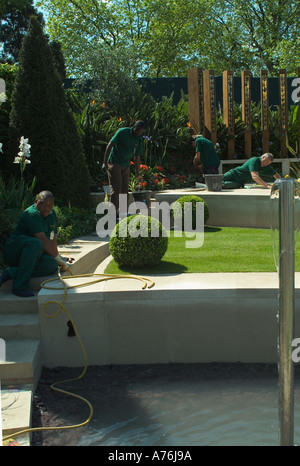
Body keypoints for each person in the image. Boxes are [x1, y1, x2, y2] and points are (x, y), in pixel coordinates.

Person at [0, 191, 72, 298]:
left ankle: (11, 272)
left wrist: (59, 259)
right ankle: (19, 286)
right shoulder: (31, 214)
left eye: (49, 205)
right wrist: (58, 259)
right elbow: (42, 238)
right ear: (36, 201)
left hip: (33, 255)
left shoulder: (51, 215)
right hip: (14, 252)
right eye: (42, 204)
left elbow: (52, 237)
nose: (46, 208)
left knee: (51, 264)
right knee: (36, 243)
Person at [102, 120, 146, 218]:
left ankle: (122, 213)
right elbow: (110, 145)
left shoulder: (139, 139)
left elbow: (137, 157)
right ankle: (112, 214)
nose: (138, 133)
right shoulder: (122, 132)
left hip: (125, 165)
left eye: (140, 132)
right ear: (134, 127)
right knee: (116, 188)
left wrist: (138, 173)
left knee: (125, 190)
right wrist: (105, 163)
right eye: (137, 130)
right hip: (114, 162)